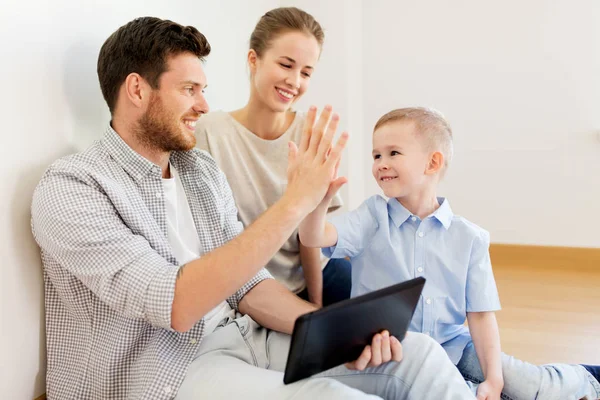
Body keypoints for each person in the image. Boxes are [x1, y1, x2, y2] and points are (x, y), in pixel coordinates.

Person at [30, 18, 477, 400]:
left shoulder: (197, 169)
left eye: (203, 90)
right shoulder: (74, 187)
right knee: (332, 396)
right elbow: (175, 305)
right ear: (136, 90)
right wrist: (295, 202)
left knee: (418, 353)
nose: (203, 105)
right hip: (168, 368)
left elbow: (247, 283)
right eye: (189, 89)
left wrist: (334, 332)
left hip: (242, 334)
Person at [299, 107, 600, 400]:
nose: (381, 163)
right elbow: (313, 236)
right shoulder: (371, 218)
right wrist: (318, 201)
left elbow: (480, 316)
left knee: (534, 387)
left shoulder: (470, 238)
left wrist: (494, 379)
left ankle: (588, 380)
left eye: (393, 153)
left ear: (432, 163)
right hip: (400, 357)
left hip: (458, 347)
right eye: (376, 155)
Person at [195, 7, 351, 307]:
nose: (294, 81)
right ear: (254, 60)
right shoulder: (208, 134)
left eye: (306, 72)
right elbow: (211, 243)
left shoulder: (310, 133)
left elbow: (309, 238)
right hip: (245, 287)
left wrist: (315, 306)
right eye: (286, 65)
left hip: (312, 277)